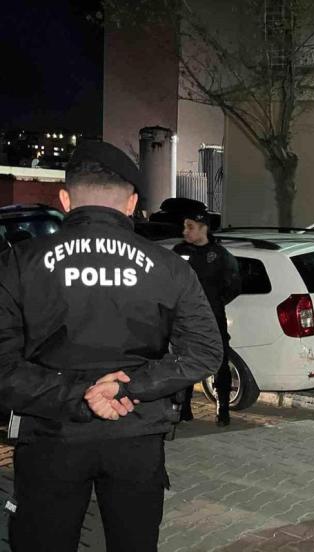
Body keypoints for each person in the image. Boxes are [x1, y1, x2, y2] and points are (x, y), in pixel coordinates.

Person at [0, 141, 223, 551]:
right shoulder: (169, 267)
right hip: (136, 436)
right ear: (131, 203)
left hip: (51, 436)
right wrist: (127, 387)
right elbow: (205, 352)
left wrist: (77, 395)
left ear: (65, 199)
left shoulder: (18, 263)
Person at [173, 207, 242, 425]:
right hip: (185, 319)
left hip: (213, 318)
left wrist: (214, 303)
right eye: (184, 227)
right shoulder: (179, 251)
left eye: (190, 227)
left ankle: (223, 410)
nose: (185, 231)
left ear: (203, 228)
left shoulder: (220, 255)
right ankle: (184, 408)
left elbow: (234, 285)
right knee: (185, 360)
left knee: (219, 361)